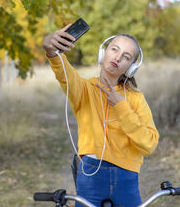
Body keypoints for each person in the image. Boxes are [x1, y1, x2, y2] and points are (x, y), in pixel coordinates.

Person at [43, 23, 159, 207]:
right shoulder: (85, 89)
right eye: (114, 49)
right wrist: (51, 50)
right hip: (90, 175)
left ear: (131, 67)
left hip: (126, 177)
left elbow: (149, 144)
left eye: (126, 57)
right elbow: (64, 73)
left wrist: (121, 107)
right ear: (103, 52)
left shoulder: (136, 98)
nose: (118, 57)